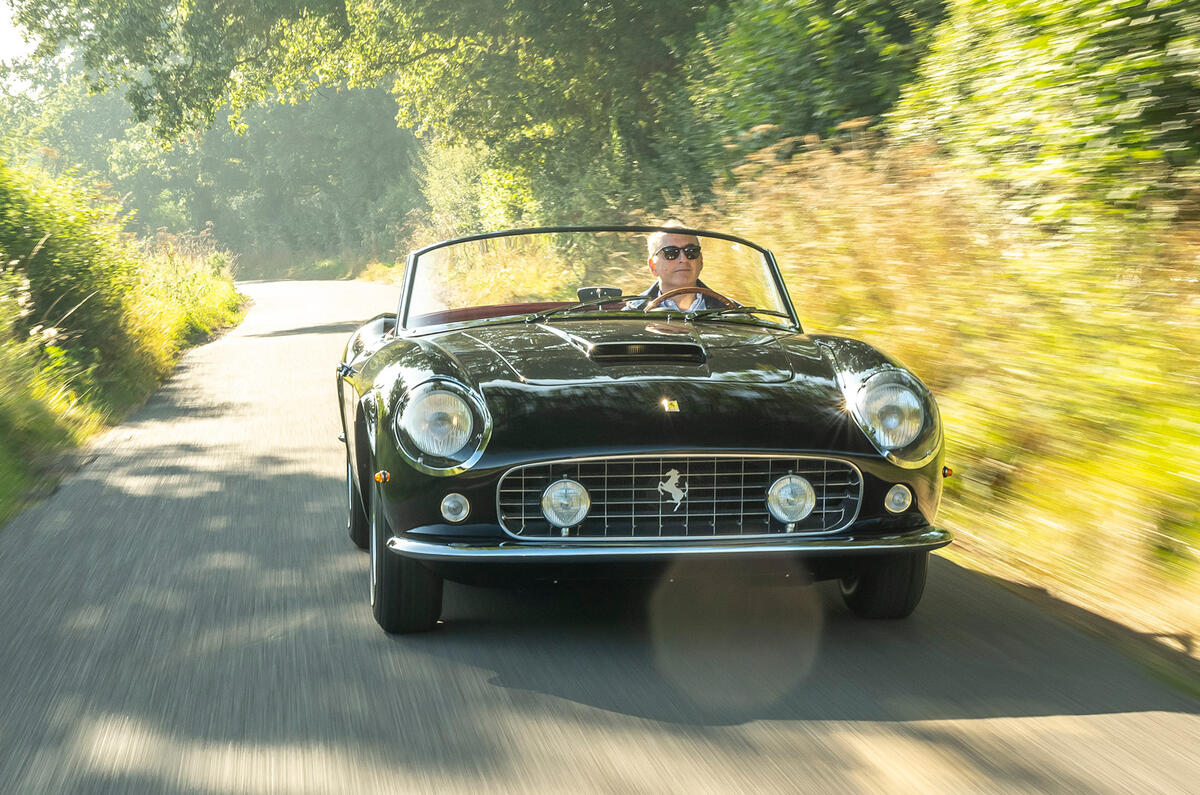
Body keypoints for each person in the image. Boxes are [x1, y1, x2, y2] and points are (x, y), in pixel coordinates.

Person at [625, 224, 715, 311]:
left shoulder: (726, 310)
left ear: (701, 260)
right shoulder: (631, 314)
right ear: (653, 266)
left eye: (691, 251)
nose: (684, 259)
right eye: (671, 253)